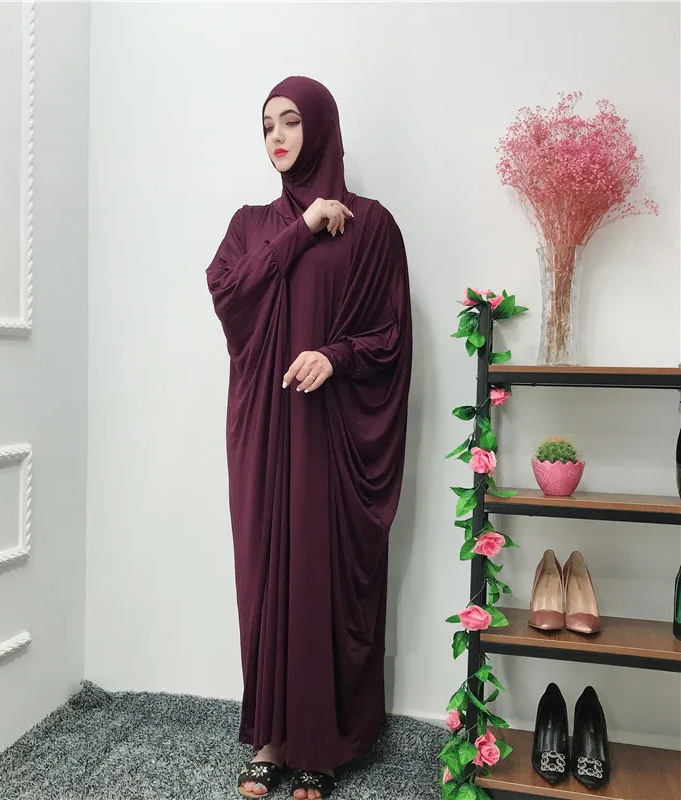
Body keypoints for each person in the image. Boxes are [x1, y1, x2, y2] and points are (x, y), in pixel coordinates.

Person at [206, 76, 413, 800]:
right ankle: (270, 738)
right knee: (264, 575)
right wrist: (302, 228)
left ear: (321, 126)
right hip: (263, 430)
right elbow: (228, 292)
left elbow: (390, 337)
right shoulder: (251, 224)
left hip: (329, 433)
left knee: (320, 574)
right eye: (267, 125)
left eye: (291, 121)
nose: (277, 136)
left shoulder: (371, 226)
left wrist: (336, 356)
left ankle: (321, 748)